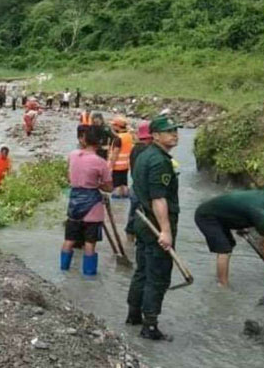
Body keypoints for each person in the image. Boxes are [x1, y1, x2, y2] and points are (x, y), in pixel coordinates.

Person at [126, 115, 181, 341]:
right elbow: (159, 199)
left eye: (176, 130)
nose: (175, 134)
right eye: (169, 131)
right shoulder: (159, 162)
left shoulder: (143, 154)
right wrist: (166, 231)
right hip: (155, 224)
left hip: (142, 221)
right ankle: (149, 326)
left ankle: (133, 315)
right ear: (156, 136)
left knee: (142, 270)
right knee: (157, 276)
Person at [195, 186, 264, 287]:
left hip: (217, 214)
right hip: (206, 216)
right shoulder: (263, 216)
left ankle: (219, 276)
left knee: (230, 244)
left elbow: (243, 206)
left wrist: (240, 225)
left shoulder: (263, 196)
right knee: (224, 249)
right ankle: (223, 287)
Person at [60, 126, 113, 275]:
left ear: (84, 139)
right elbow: (109, 188)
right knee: (90, 244)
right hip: (92, 206)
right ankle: (89, 276)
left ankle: (63, 270)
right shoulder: (100, 162)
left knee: (69, 240)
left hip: (74, 202)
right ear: (100, 141)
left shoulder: (73, 155)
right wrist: (97, 184)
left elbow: (69, 175)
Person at [125, 121, 153, 242]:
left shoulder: (135, 149)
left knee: (133, 216)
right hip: (141, 189)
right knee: (139, 218)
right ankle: (134, 241)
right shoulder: (145, 151)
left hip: (135, 186)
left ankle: (129, 243)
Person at [109, 116, 134, 199]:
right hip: (126, 165)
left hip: (117, 166)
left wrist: (110, 167)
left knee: (117, 186)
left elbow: (115, 154)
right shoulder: (129, 136)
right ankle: (126, 198)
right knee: (124, 183)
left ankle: (117, 203)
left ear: (117, 126)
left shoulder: (118, 139)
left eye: (113, 125)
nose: (112, 127)